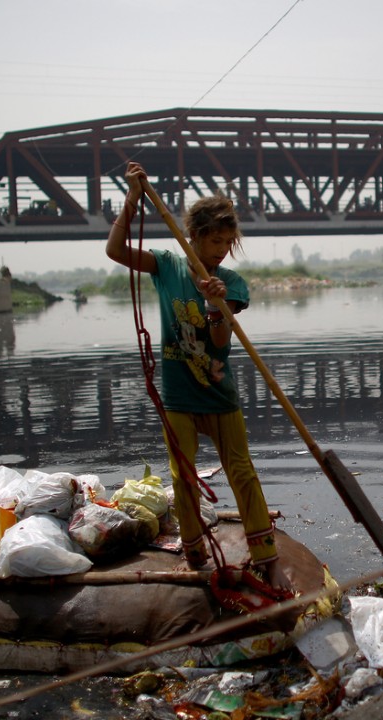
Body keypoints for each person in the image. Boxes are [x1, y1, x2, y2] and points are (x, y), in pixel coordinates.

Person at [106, 161, 292, 592]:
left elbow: (221, 341)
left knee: (241, 471)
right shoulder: (167, 266)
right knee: (182, 478)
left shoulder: (230, 283)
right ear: (193, 235)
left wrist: (215, 307)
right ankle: (194, 556)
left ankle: (265, 554)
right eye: (213, 240)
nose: (221, 250)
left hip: (218, 396)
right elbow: (116, 252)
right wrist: (132, 201)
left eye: (228, 242)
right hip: (177, 397)